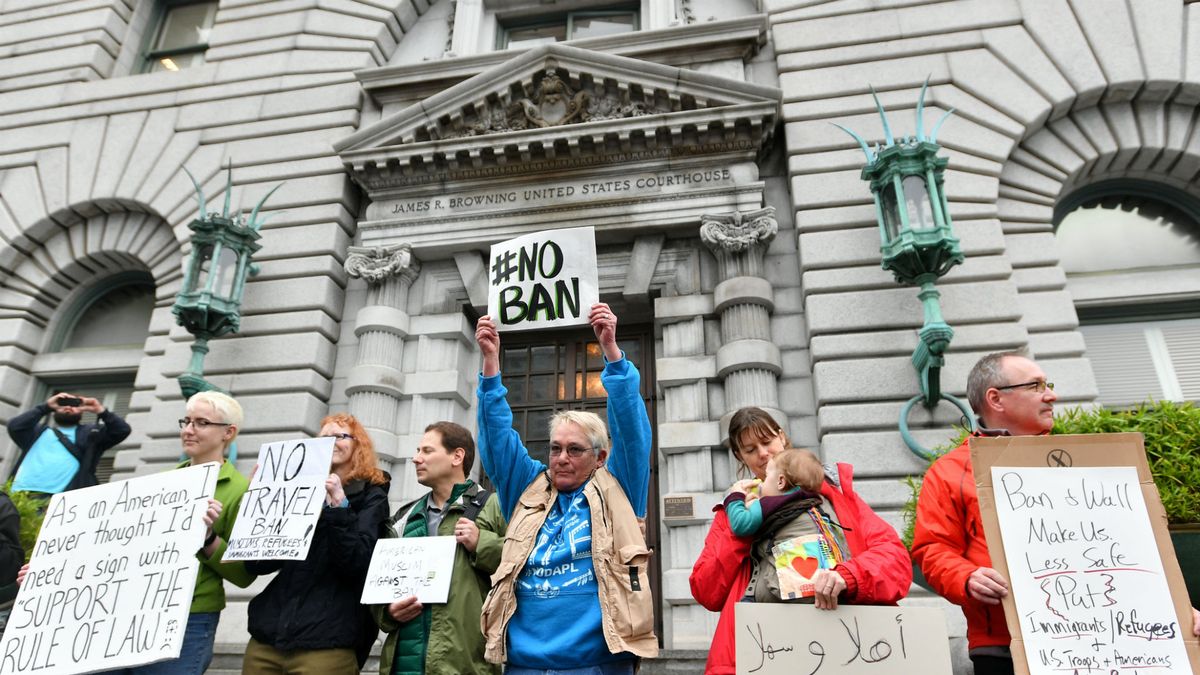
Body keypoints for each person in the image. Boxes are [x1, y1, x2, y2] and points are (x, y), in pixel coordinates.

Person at [911, 351, 1200, 675]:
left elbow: (1135, 551)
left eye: (1047, 384)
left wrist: (1179, 607)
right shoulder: (948, 471)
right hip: (1004, 647)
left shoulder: (1087, 462)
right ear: (996, 399)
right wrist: (965, 577)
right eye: (1036, 386)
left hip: (1113, 641)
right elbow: (931, 549)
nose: (1052, 395)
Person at [474, 302, 658, 675]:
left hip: (598, 665)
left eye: (575, 450)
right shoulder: (527, 489)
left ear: (601, 456)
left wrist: (612, 353)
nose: (561, 458)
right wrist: (491, 364)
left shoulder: (618, 488)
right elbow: (496, 441)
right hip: (523, 665)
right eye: (555, 448)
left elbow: (633, 432)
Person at [14, 391, 254, 675]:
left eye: (201, 423)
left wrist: (208, 538)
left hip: (187, 621)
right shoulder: (158, 485)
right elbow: (114, 554)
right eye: (186, 421)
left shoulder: (240, 491)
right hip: (125, 615)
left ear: (228, 432)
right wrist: (51, 576)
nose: (188, 430)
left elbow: (243, 573)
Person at [690, 406, 912, 675]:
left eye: (767, 441)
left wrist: (848, 577)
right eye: (750, 450)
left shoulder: (832, 495)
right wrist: (742, 530)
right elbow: (706, 591)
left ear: (782, 437)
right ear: (740, 457)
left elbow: (895, 559)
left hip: (838, 645)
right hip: (758, 653)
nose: (762, 454)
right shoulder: (733, 513)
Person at [242, 412, 390, 675]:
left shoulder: (372, 497)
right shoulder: (294, 489)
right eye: (323, 438)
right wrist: (257, 507)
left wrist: (339, 507)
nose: (331, 442)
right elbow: (256, 564)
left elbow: (358, 565)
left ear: (358, 445)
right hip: (268, 638)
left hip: (326, 643)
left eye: (340, 436)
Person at [374, 421, 506, 675]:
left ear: (457, 456)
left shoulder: (494, 506)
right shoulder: (404, 517)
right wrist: (387, 611)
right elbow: (379, 585)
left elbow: (524, 563)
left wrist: (482, 543)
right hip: (404, 664)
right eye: (417, 451)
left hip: (464, 664)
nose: (415, 459)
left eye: (426, 451)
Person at [7, 392, 131, 495]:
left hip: (62, 500)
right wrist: (45, 407)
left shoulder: (91, 434)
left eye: (75, 404)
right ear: (54, 409)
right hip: (22, 494)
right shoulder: (36, 433)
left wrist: (101, 411)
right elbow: (15, 426)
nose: (68, 407)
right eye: (63, 403)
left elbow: (122, 430)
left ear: (82, 411)